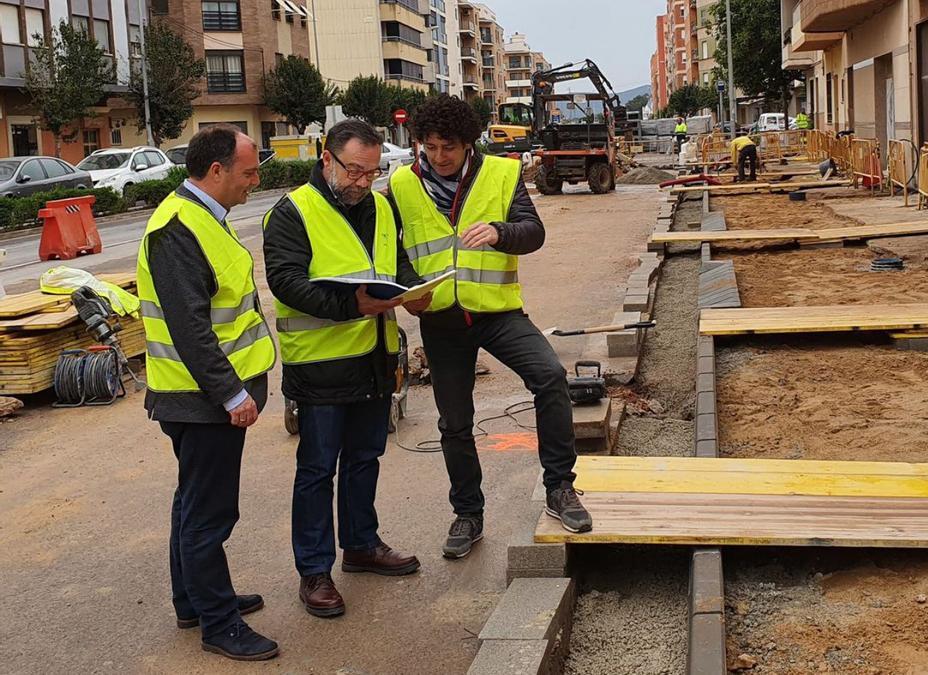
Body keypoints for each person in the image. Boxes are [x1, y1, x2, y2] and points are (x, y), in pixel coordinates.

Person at [388, 94, 591, 559]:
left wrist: (502, 232)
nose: (439, 157)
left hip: (497, 312)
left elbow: (533, 232)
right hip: (440, 319)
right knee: (454, 422)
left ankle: (560, 488)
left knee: (551, 378)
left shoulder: (500, 173)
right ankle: (468, 513)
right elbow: (393, 249)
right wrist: (409, 289)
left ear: (468, 144)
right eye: (431, 147)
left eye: (449, 148)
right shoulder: (400, 183)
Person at [262, 119, 426, 619]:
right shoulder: (292, 212)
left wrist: (416, 289)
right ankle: (314, 571)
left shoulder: (378, 206)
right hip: (321, 367)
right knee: (316, 470)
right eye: (354, 171)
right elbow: (286, 283)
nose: (362, 182)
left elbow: (392, 263)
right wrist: (351, 308)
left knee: (364, 458)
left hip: (373, 359)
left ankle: (360, 545)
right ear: (327, 159)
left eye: (371, 173)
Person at [136, 124, 279, 661]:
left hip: (203, 398)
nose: (254, 181)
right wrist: (231, 395)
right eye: (247, 173)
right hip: (200, 402)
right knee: (209, 514)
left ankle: (193, 601)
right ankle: (220, 624)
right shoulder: (178, 229)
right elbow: (189, 327)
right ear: (215, 171)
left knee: (192, 503)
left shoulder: (201, 217)